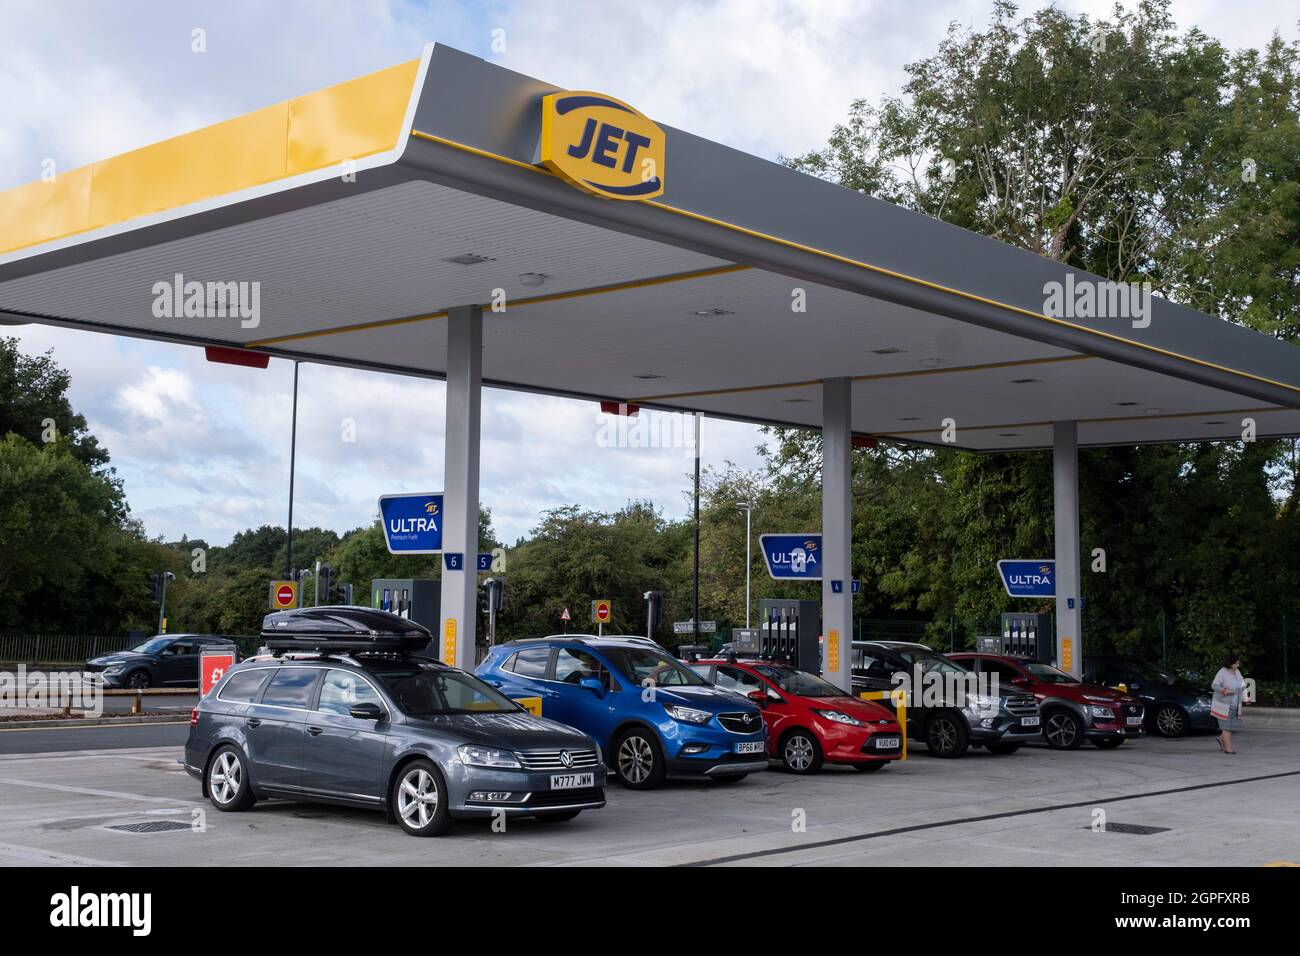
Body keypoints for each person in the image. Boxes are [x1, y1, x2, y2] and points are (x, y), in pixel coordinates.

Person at [1211, 653, 1245, 753]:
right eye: (1236, 663)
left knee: (1232, 726)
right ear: (1230, 664)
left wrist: (1244, 691)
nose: (1238, 665)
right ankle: (1228, 749)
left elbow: (1241, 683)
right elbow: (1214, 686)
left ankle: (1221, 739)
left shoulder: (1237, 671)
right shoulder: (1222, 673)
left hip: (1235, 704)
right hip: (1224, 704)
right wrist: (1226, 691)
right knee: (1226, 727)